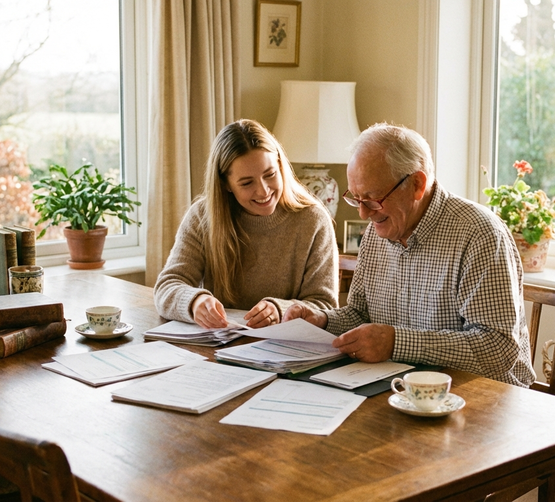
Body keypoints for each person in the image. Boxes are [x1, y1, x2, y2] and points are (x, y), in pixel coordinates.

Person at [284, 123, 534, 387]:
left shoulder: (479, 234)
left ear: (417, 183)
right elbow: (361, 315)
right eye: (356, 198)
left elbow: (497, 350)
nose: (363, 214)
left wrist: (396, 343)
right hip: (402, 389)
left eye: (373, 198)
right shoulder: (378, 231)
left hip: (484, 397)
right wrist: (322, 321)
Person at [154, 119, 338, 330]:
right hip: (219, 346)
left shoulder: (313, 221)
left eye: (270, 175)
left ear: (280, 165)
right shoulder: (202, 217)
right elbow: (167, 287)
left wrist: (280, 309)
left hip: (284, 350)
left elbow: (325, 307)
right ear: (226, 185)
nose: (263, 191)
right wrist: (194, 301)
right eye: (247, 183)